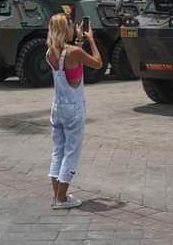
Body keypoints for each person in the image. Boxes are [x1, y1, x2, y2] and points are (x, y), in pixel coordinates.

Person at [45, 13, 103, 209]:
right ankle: (61, 199)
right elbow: (97, 62)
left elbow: (71, 59)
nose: (72, 29)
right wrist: (91, 40)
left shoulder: (50, 53)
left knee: (58, 151)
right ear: (65, 29)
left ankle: (58, 195)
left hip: (57, 107)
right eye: (70, 26)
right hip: (73, 108)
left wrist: (79, 39)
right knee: (72, 152)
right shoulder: (72, 52)